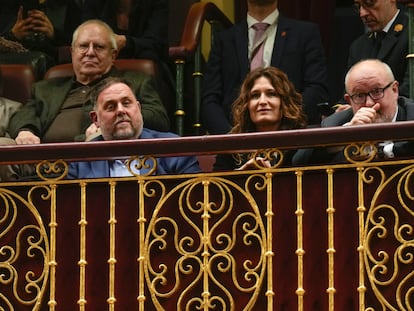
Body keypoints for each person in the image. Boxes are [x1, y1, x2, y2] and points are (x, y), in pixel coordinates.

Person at [0, 19, 169, 181]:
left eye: (99, 47)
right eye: (83, 46)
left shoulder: (135, 82)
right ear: (72, 52)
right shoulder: (46, 88)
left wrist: (108, 121)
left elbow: (158, 117)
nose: (90, 52)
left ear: (113, 54)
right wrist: (25, 130)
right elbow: (24, 113)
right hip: (45, 162)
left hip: (95, 159)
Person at [202, 0, 329, 135]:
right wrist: (231, 138)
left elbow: (317, 89)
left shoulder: (305, 33)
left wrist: (285, 126)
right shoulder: (225, 40)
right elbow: (210, 99)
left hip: (293, 140)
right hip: (233, 141)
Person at [68, 77, 201, 178]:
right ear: (95, 119)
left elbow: (195, 200)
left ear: (138, 108)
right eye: (111, 106)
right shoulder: (80, 161)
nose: (120, 111)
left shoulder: (173, 149)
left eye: (126, 103)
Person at [294, 59, 414, 165]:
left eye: (377, 91)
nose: (369, 103)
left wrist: (382, 152)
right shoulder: (337, 122)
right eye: (359, 95)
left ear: (394, 90)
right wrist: (346, 137)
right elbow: (299, 160)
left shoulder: (411, 113)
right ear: (349, 100)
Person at [213, 67, 307, 171]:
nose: (262, 101)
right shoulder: (230, 147)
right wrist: (242, 175)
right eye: (255, 95)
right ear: (246, 104)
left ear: (284, 102)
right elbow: (216, 186)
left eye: (271, 94)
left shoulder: (302, 144)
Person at [0, 0, 83, 78]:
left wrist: (54, 34)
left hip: (53, 68)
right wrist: (12, 35)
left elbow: (79, 43)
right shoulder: (7, 6)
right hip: (12, 65)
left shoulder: (69, 7)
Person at [348, 0, 409, 97]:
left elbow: (409, 91)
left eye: (369, 3)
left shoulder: (410, 34)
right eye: (358, 6)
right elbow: (350, 92)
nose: (362, 13)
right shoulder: (358, 46)